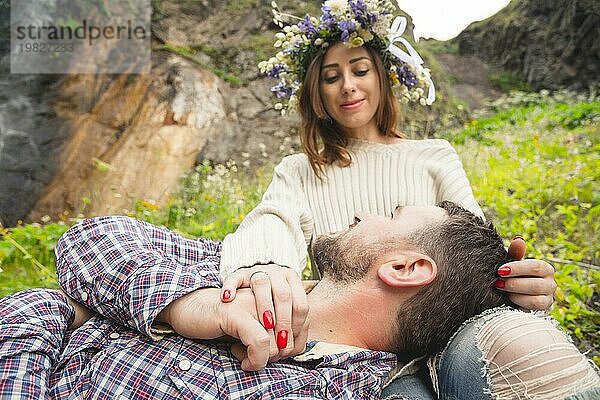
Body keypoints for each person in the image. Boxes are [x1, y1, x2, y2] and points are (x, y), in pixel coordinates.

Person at [217, 0, 556, 366]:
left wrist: (515, 285)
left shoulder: (434, 155)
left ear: (383, 78)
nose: (348, 86)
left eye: (360, 70)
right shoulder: (300, 169)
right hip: (342, 346)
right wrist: (266, 264)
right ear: (318, 98)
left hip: (428, 343)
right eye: (331, 77)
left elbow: (466, 244)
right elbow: (273, 217)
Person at [1, 203, 598, 399]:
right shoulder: (241, 272)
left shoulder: (325, 389)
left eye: (389, 215)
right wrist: (190, 303)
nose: (364, 211)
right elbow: (89, 237)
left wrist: (66, 313)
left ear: (406, 267)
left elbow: (36, 308)